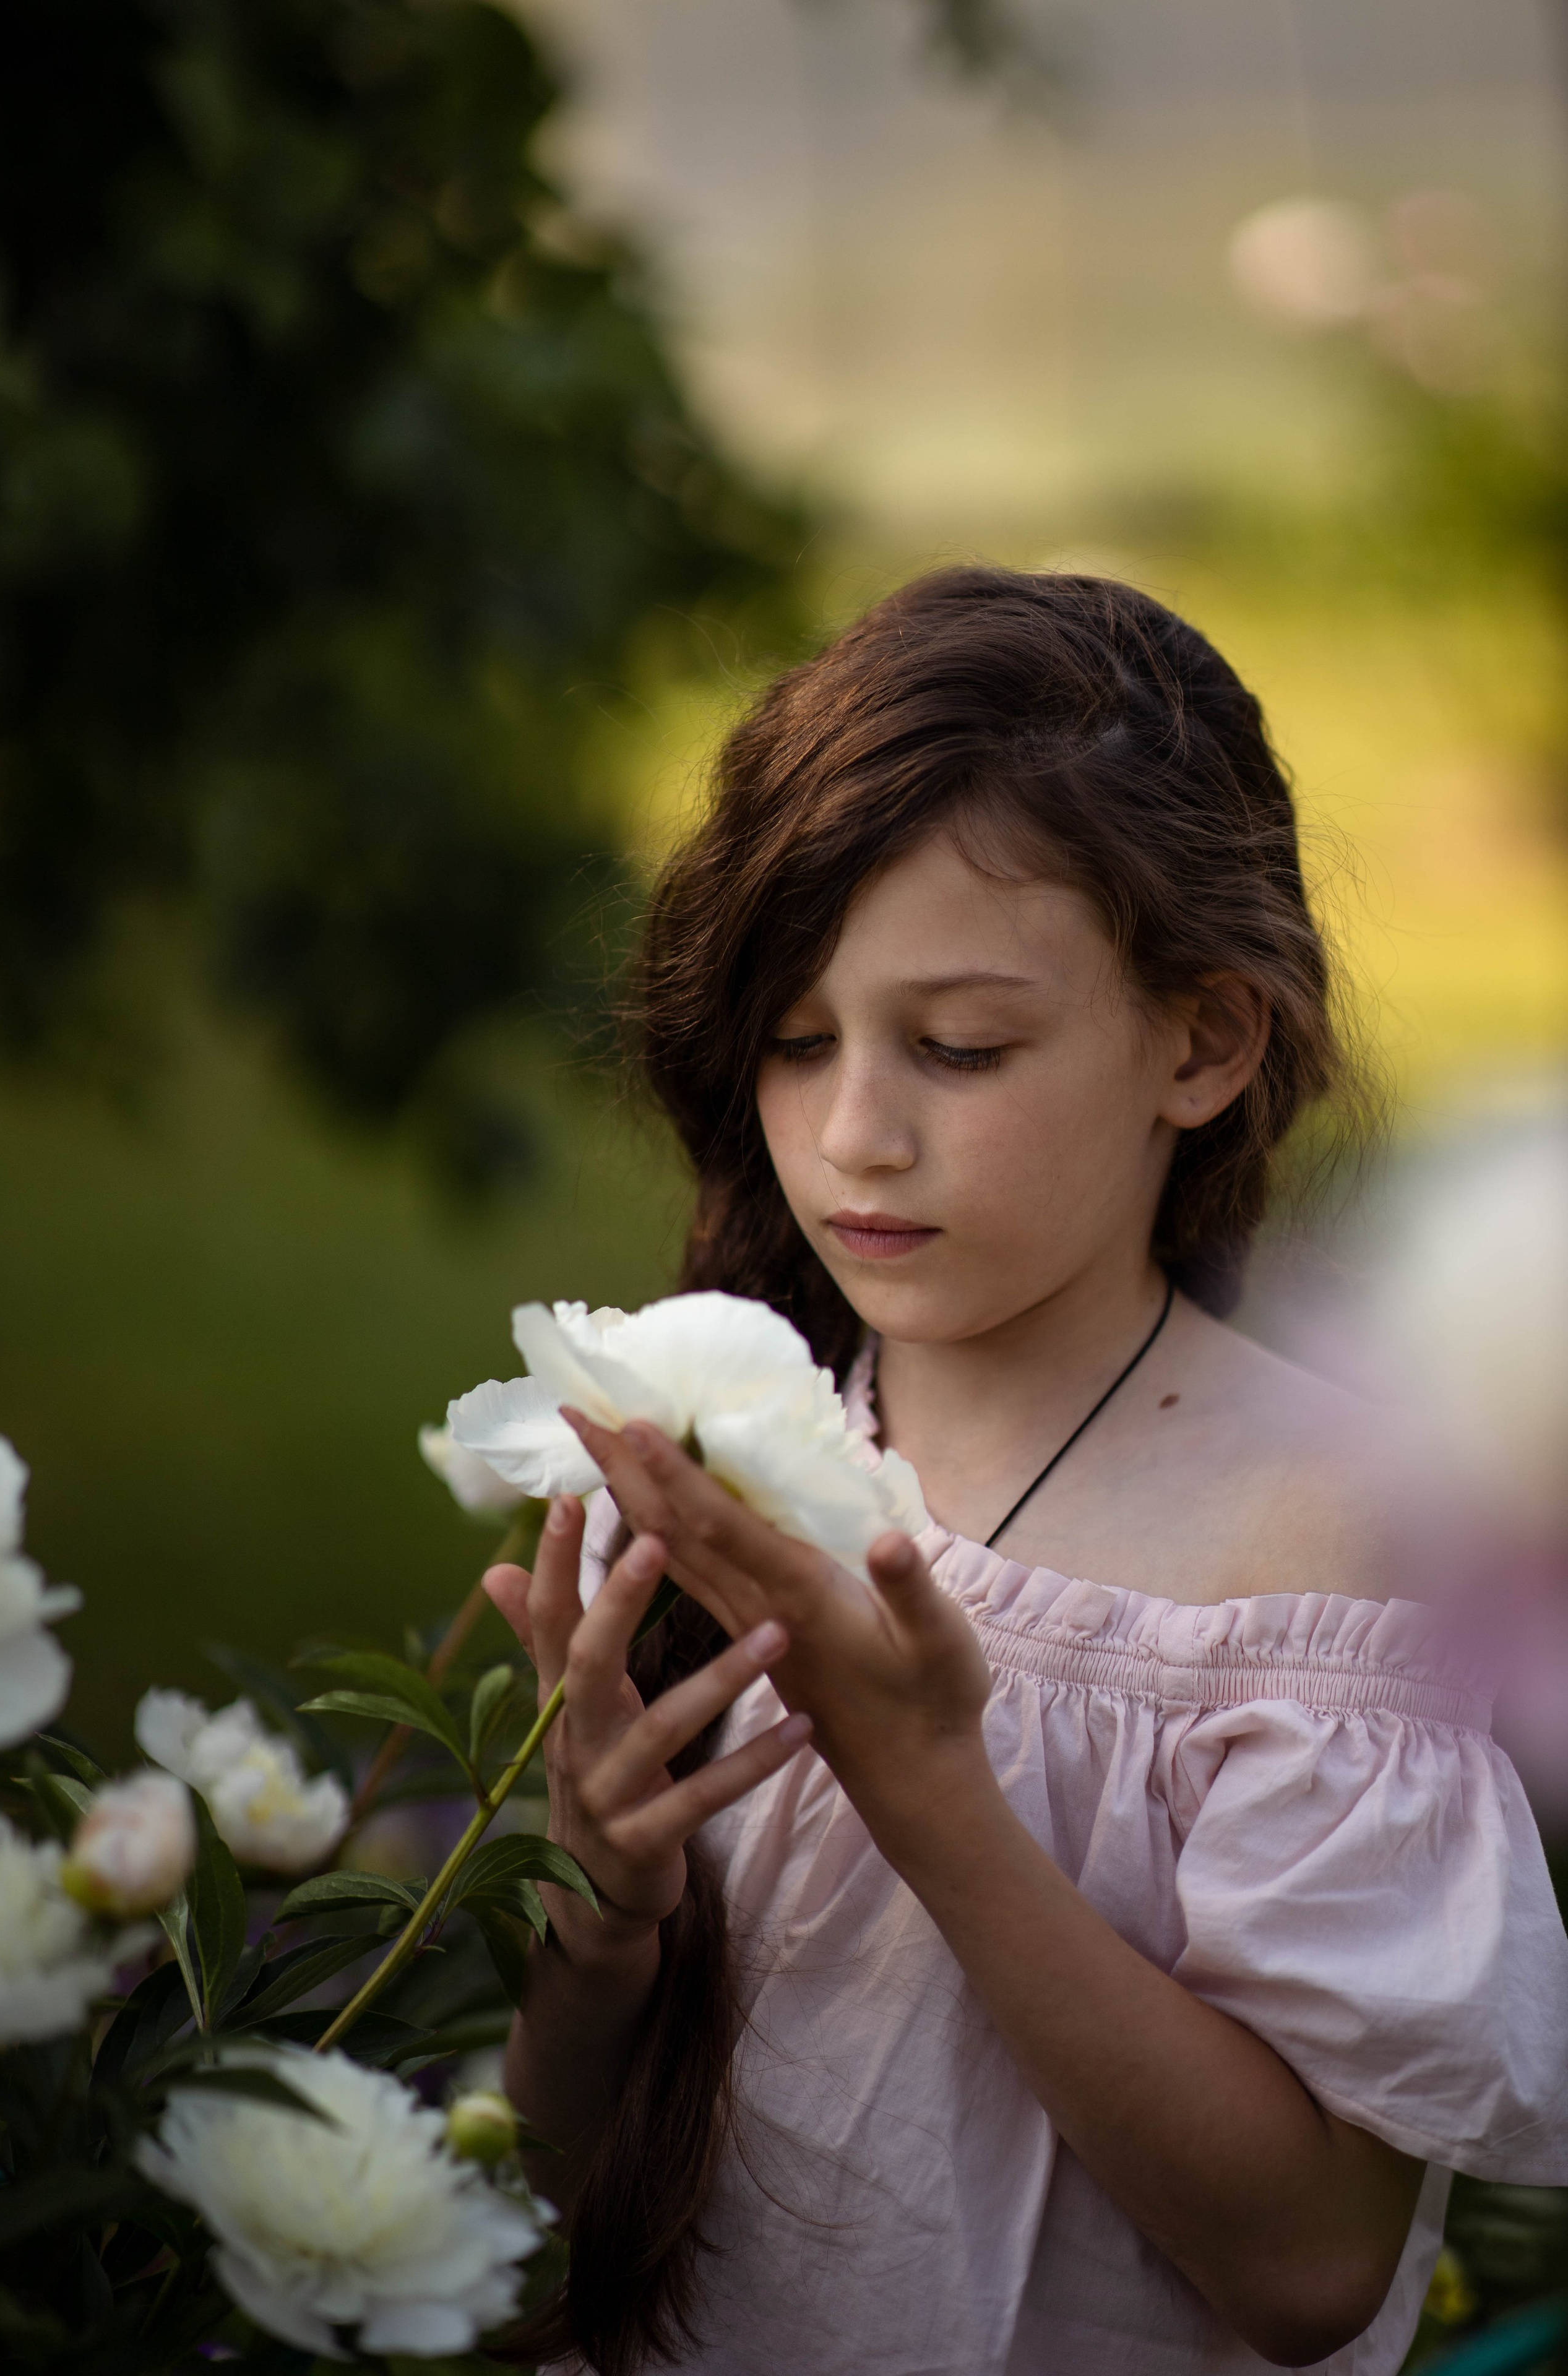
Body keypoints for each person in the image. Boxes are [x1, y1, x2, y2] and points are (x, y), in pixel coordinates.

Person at [485, 569, 1568, 2376]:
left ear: (1202, 1043)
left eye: (960, 1048)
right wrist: (599, 1921)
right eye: (797, 1040)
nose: (855, 1134)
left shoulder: (1321, 1545)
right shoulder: (721, 1451)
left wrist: (930, 1787)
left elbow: (1309, 2267)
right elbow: (531, 2213)